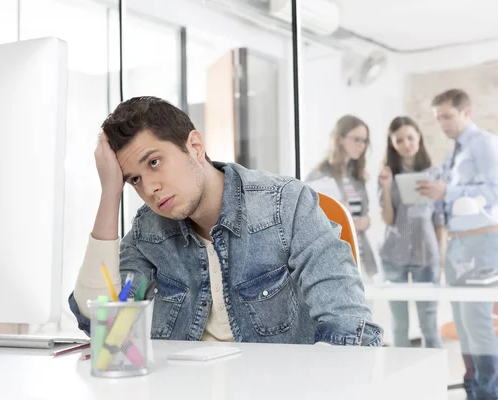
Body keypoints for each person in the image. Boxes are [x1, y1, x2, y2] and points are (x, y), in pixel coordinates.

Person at [68, 96, 382, 346]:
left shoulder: (286, 204)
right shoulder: (149, 230)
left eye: (154, 162)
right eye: (134, 179)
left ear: (194, 146)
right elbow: (103, 325)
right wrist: (110, 193)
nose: (149, 188)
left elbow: (349, 325)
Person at [418, 89, 498, 399]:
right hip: (458, 243)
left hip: (482, 241)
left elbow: (494, 191)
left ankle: (488, 393)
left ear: (466, 112)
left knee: (476, 321)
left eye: (448, 117)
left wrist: (447, 191)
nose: (443, 124)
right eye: (438, 119)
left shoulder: (485, 144)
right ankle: (473, 390)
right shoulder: (453, 153)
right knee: (463, 323)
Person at [378, 116, 443, 349]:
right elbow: (388, 219)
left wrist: (441, 254)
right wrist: (386, 187)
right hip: (394, 255)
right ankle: (400, 379)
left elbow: (439, 218)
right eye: (399, 140)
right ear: (392, 144)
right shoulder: (388, 174)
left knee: (429, 322)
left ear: (419, 137)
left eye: (410, 137)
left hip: (426, 254)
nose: (406, 144)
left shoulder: (435, 174)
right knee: (399, 324)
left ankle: (434, 379)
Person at [305, 115, 378, 281]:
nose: (361, 146)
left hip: (361, 255)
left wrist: (365, 221)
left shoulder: (357, 178)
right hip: (336, 256)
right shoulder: (318, 176)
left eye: (364, 141)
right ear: (340, 139)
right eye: (357, 139)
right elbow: (309, 218)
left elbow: (363, 213)